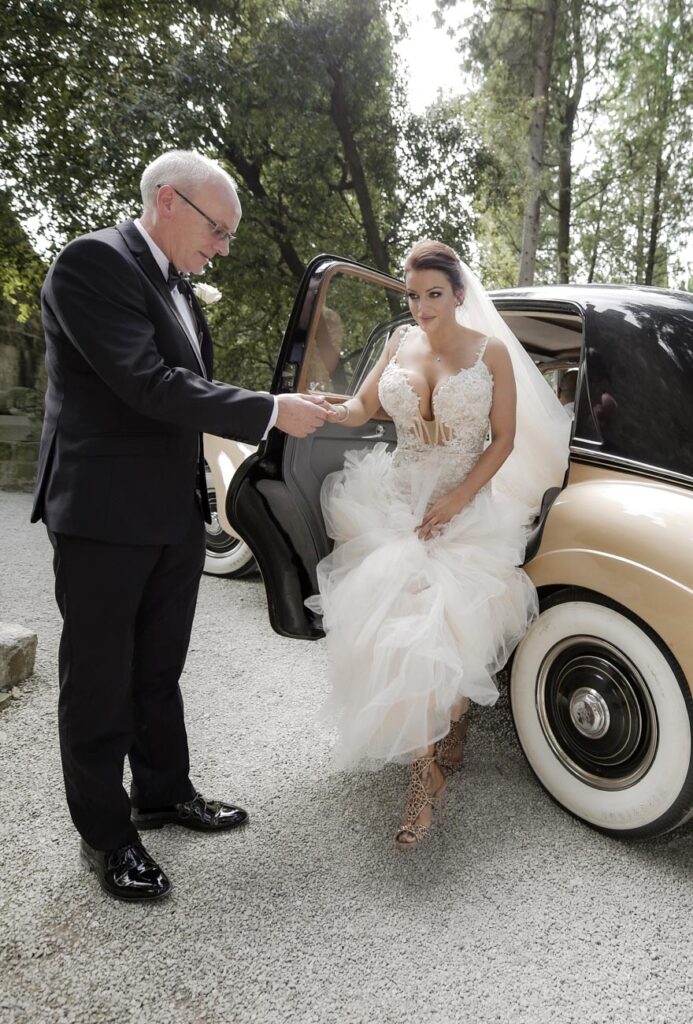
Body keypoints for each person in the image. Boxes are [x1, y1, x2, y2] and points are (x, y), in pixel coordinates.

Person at [31, 150, 329, 900]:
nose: (223, 246)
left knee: (158, 669)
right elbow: (147, 384)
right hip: (101, 512)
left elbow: (186, 390)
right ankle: (106, 838)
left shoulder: (181, 291)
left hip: (170, 511)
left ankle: (162, 792)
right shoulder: (90, 264)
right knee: (99, 680)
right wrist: (267, 412)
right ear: (168, 201)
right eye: (219, 229)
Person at [309, 240, 570, 848]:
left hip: (464, 505)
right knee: (398, 637)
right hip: (394, 502)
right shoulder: (398, 344)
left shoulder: (493, 353)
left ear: (457, 293)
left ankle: (441, 746)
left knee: (448, 632)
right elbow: (360, 408)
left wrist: (457, 500)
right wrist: (325, 404)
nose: (422, 306)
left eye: (433, 294)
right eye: (413, 295)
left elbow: (502, 440)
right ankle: (426, 772)